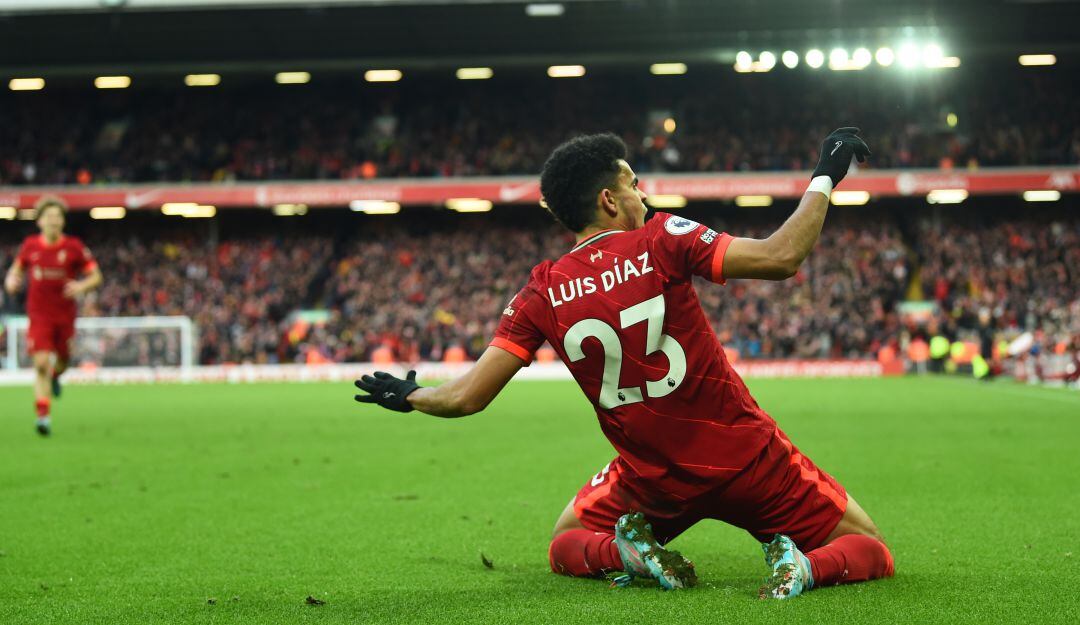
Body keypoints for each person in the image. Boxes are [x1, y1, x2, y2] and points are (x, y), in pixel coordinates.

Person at [354, 129, 894, 599]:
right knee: (867, 546)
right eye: (634, 184)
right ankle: (804, 565)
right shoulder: (661, 239)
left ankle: (629, 557)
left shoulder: (542, 290)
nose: (644, 194)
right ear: (610, 200)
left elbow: (467, 396)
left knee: (566, 540)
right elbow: (781, 256)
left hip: (651, 479)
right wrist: (825, 174)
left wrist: (411, 395)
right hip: (745, 461)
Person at [4, 196, 103, 436]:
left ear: (63, 221)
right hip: (39, 315)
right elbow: (14, 273)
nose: (53, 221)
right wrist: (10, 282)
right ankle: (43, 417)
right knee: (39, 364)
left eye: (57, 217)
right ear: (39, 222)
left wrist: (81, 287)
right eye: (49, 217)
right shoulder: (30, 246)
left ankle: (57, 376)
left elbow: (96, 276)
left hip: (65, 316)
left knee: (62, 361)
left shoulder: (74, 247)